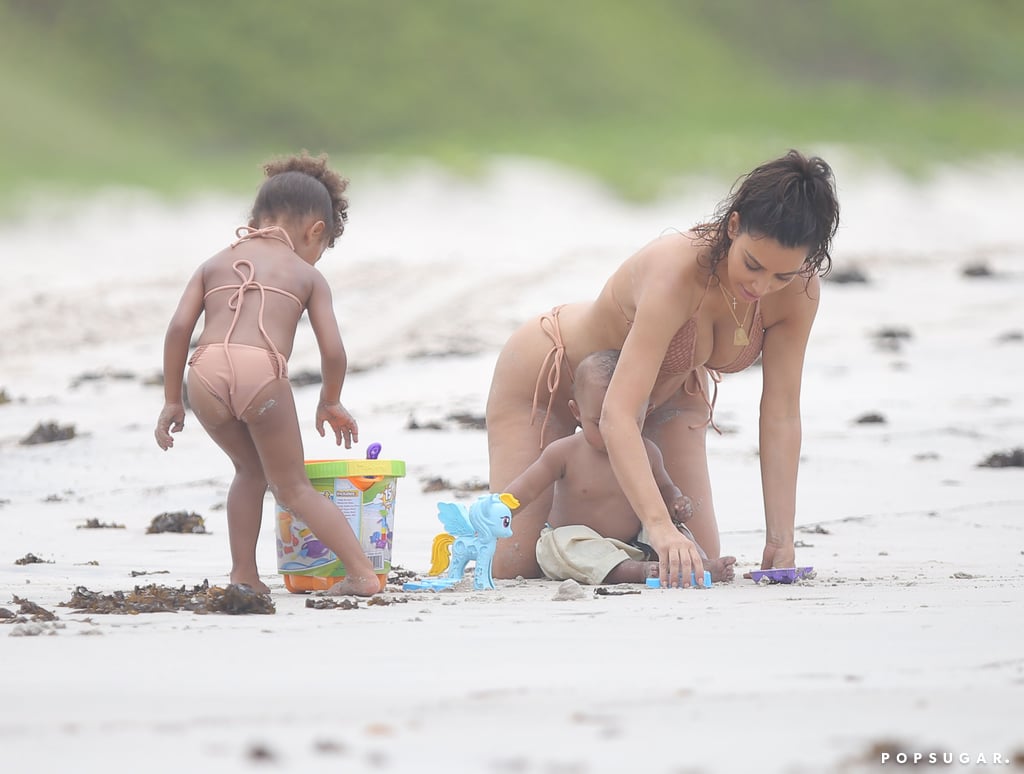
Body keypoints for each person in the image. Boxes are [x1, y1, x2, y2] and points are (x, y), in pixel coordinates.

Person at [486, 149, 839, 587]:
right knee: (514, 564)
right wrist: (658, 526)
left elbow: (782, 412)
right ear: (733, 226)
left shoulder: (798, 293)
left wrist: (781, 538)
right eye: (752, 264)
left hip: (664, 398)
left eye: (781, 276)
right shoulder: (677, 271)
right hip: (551, 377)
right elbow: (616, 412)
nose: (761, 286)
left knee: (696, 562)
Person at [154, 152, 380, 597]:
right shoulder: (305, 274)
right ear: (316, 230)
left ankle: (244, 575)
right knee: (293, 486)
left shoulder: (213, 263)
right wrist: (330, 400)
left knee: (248, 471)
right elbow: (333, 351)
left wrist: (171, 400)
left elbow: (179, 329)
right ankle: (361, 575)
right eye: (323, 246)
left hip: (204, 374)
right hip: (262, 375)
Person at [502, 350, 737, 586]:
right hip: (578, 547)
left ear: (648, 411)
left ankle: (697, 563)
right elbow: (527, 489)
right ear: (577, 412)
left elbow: (665, 487)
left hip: (632, 545)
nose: (611, 433)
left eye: (630, 422)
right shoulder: (563, 452)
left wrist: (676, 502)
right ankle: (637, 572)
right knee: (562, 544)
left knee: (674, 530)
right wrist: (499, 509)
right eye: (599, 423)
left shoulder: (648, 452)